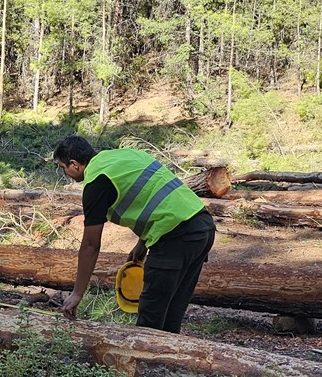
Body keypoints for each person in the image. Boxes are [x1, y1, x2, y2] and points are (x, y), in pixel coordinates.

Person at [52, 137, 216, 334]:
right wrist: (143, 243)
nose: (65, 173)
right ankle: (170, 361)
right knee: (173, 310)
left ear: (74, 164)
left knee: (150, 317)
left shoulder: (97, 182)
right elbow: (153, 193)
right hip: (202, 226)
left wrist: (77, 293)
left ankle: (145, 362)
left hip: (175, 237)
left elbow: (90, 245)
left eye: (63, 167)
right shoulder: (125, 155)